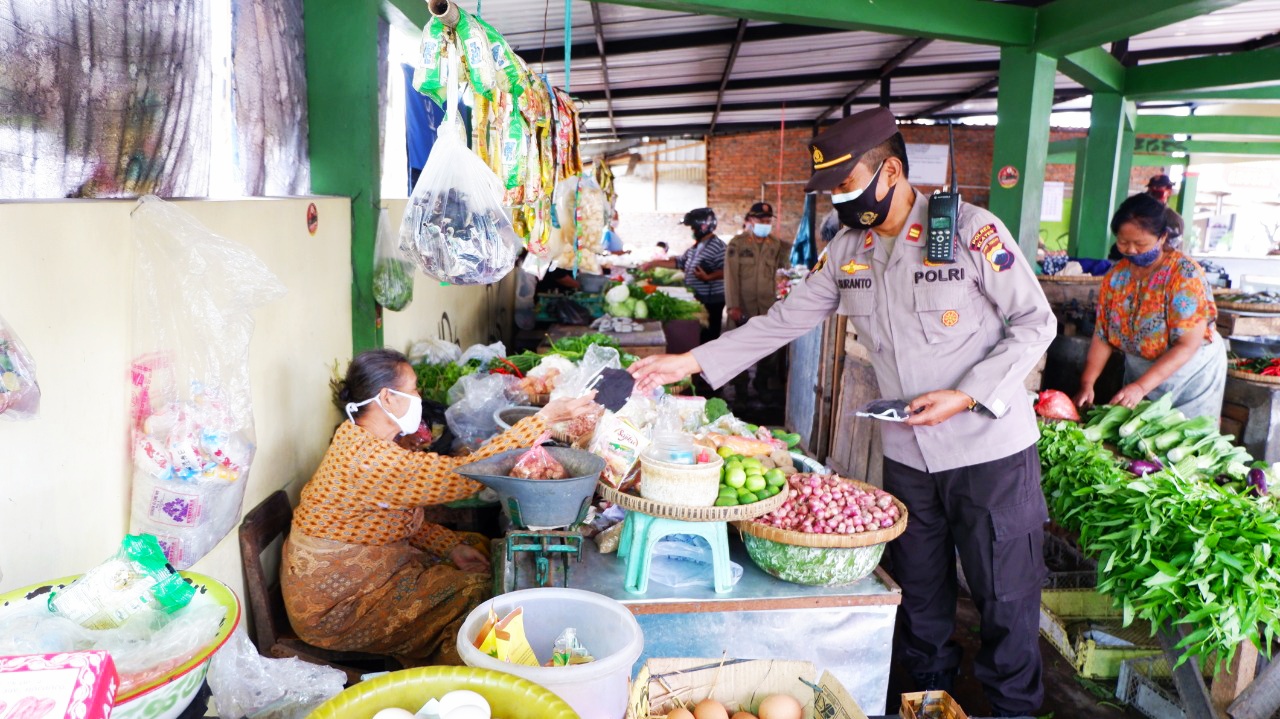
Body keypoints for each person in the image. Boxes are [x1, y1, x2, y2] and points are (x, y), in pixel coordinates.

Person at [629, 108, 1056, 717]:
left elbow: (1036, 323)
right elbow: (784, 321)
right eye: (832, 188)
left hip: (989, 453)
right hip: (908, 454)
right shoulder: (847, 250)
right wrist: (690, 361)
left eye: (847, 184)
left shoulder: (969, 232)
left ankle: (1014, 710)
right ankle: (927, 702)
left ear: (891, 171)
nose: (839, 197)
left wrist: (964, 394)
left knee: (1006, 599)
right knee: (922, 598)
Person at [282, 349, 599, 665]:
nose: (419, 397)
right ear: (387, 398)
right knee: (479, 593)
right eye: (413, 389)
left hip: (369, 572)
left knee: (478, 547)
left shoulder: (367, 442)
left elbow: (395, 522)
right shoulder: (367, 460)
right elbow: (464, 476)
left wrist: (452, 548)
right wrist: (544, 419)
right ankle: (463, 681)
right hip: (338, 609)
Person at [1075, 194, 1225, 417]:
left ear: (1162, 237)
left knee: (1186, 441)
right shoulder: (1116, 277)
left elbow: (1187, 344)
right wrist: (1087, 383)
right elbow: (1103, 334)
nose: (1131, 250)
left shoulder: (1184, 275)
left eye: (1140, 243)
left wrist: (1141, 387)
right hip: (1142, 370)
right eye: (1124, 242)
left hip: (1190, 371)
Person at [725, 201, 792, 395]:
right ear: (751, 220)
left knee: (768, 349)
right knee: (738, 349)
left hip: (766, 306)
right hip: (742, 306)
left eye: (768, 219)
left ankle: (761, 384)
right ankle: (740, 390)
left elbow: (783, 269)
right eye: (761, 219)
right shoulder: (737, 244)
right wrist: (732, 306)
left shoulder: (776, 244)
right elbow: (730, 277)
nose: (765, 222)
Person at [641, 208, 727, 343]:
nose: (692, 231)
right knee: (698, 336)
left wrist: (708, 277)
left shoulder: (718, 246)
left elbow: (727, 270)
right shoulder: (696, 247)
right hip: (698, 298)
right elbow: (679, 262)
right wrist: (652, 264)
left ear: (703, 227)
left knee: (708, 338)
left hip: (712, 301)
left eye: (693, 228)